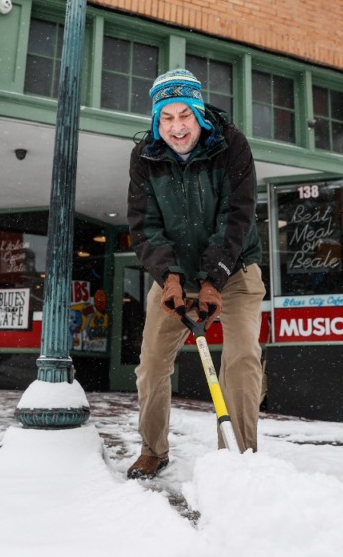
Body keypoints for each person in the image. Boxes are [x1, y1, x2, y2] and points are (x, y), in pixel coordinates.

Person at [126, 69, 265, 479]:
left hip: (234, 269)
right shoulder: (145, 157)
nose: (176, 127)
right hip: (174, 277)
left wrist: (213, 277)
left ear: (199, 114)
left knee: (241, 357)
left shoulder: (231, 146)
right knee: (151, 364)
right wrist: (168, 276)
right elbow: (144, 224)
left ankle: (239, 455)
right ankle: (153, 449)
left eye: (184, 115)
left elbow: (236, 216)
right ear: (156, 121)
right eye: (166, 117)